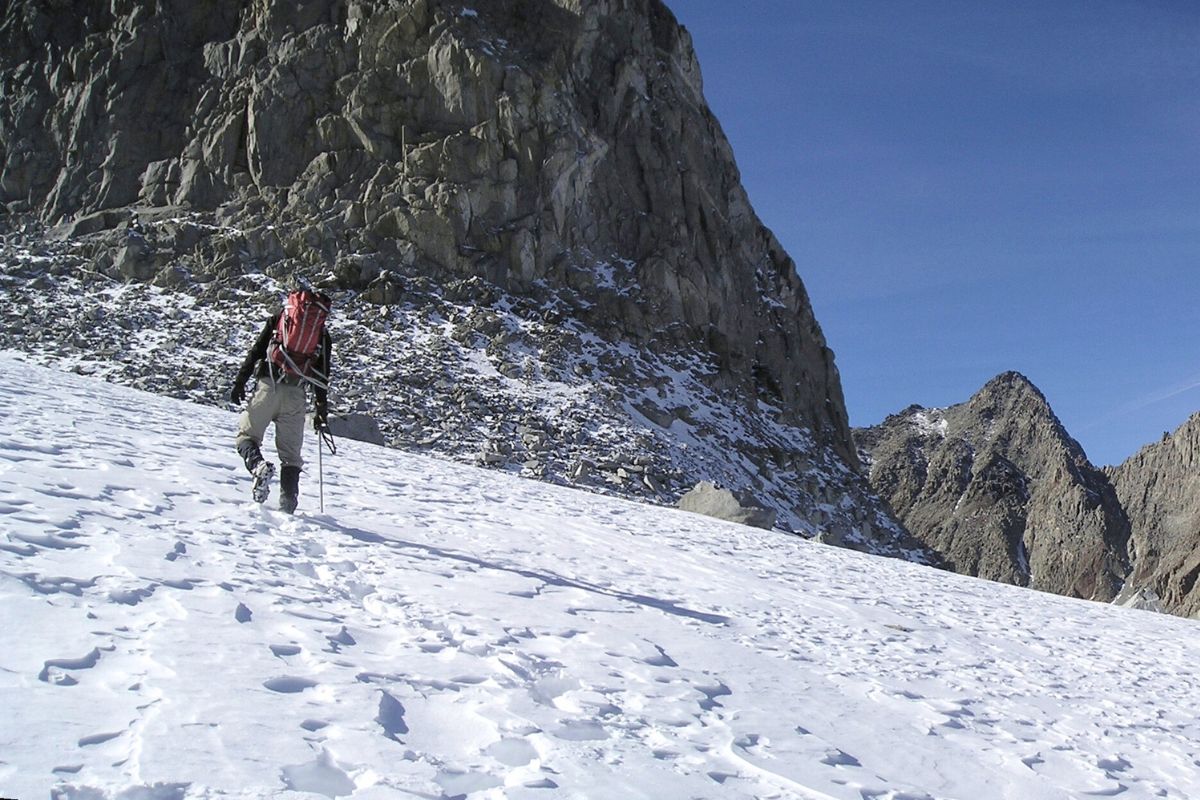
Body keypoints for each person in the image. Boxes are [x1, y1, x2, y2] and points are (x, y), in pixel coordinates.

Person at [230, 289, 332, 513]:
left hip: (268, 386)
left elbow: (256, 351)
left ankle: (258, 466)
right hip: (296, 396)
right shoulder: (321, 335)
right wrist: (320, 411)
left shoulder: (279, 320)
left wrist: (240, 382)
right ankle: (288, 505)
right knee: (291, 457)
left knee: (246, 436)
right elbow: (322, 376)